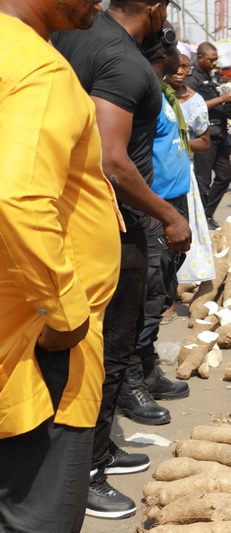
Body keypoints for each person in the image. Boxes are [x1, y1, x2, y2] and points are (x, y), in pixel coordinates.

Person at [52, 0, 191, 518]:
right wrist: (169, 217)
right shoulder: (121, 59)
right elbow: (113, 161)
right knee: (109, 351)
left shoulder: (73, 35)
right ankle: (84, 473)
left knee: (93, 347)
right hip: (111, 222)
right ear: (154, 8)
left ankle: (96, 451)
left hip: (71, 213)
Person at [0, 1, 121, 530]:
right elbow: (19, 196)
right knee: (34, 516)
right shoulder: (39, 70)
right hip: (36, 342)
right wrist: (66, 316)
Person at [130, 36, 192, 415]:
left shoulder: (164, 92)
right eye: (175, 53)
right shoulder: (143, 91)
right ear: (162, 54)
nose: (181, 59)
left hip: (172, 203)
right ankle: (131, 380)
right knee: (149, 292)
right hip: (154, 206)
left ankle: (148, 368)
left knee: (164, 284)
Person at [168, 43, 216, 287]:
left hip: (182, 175)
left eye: (185, 66)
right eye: (176, 64)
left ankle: (173, 292)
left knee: (181, 229)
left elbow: (205, 143)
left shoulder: (195, 102)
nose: (180, 70)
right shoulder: (154, 95)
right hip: (155, 171)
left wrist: (177, 142)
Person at [186, 41, 231, 230]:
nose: (214, 63)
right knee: (203, 182)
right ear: (200, 58)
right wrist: (221, 99)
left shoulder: (212, 78)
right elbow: (193, 106)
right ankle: (199, 221)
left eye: (216, 60)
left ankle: (206, 214)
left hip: (220, 135)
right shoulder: (191, 79)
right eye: (211, 60)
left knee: (225, 177)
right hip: (204, 136)